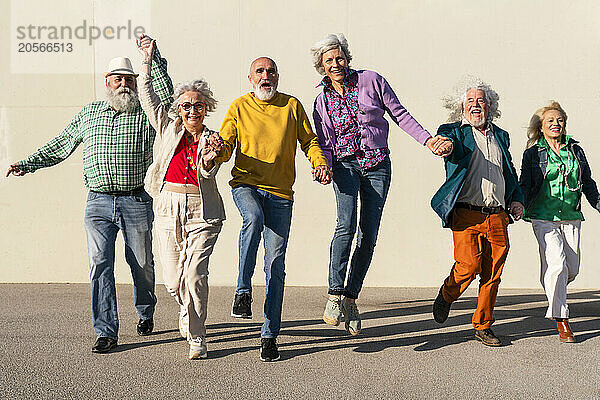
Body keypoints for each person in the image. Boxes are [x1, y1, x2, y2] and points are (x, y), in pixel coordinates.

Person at [6, 34, 173, 354]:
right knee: (100, 263)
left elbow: (165, 97)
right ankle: (106, 331)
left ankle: (145, 308)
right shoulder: (90, 113)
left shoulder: (147, 113)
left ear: (137, 83)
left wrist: (153, 58)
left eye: (128, 79)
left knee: (142, 265)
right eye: (117, 79)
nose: (123, 84)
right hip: (97, 202)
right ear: (107, 82)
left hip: (136, 199)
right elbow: (61, 144)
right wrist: (27, 164)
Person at [310, 33, 453, 335]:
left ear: (347, 57)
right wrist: (321, 165)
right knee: (345, 225)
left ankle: (351, 297)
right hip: (345, 166)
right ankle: (335, 294)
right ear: (321, 66)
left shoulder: (372, 80)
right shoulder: (321, 100)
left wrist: (427, 140)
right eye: (329, 61)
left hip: (377, 165)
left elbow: (399, 114)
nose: (335, 64)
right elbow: (323, 142)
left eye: (339, 58)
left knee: (369, 232)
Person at [216, 56, 331, 362]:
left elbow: (309, 141)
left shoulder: (291, 106)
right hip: (247, 185)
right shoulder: (239, 107)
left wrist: (319, 163)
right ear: (250, 77)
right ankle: (242, 290)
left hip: (281, 194)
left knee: (275, 266)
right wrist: (217, 149)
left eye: (270, 72)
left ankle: (269, 334)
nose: (265, 76)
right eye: (259, 72)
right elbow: (226, 145)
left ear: (277, 76)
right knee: (252, 218)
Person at [137, 39, 226, 359]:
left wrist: (211, 157)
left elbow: (209, 171)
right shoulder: (167, 126)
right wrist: (146, 61)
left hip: (202, 210)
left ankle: (197, 337)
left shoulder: (211, 137)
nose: (191, 110)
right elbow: (146, 97)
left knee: (195, 275)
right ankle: (186, 312)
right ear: (179, 108)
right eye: (187, 105)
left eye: (198, 105)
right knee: (173, 280)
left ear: (207, 108)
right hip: (166, 206)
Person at [430, 77, 524, 346]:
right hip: (466, 213)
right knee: (468, 266)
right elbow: (448, 145)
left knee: (492, 273)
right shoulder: (455, 132)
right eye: (470, 100)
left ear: (490, 106)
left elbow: (509, 172)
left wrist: (515, 199)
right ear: (461, 106)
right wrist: (445, 146)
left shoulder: (501, 136)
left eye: (481, 100)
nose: (476, 105)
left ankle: (483, 325)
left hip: (497, 215)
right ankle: (448, 293)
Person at [519, 101, 600, 343]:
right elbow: (525, 183)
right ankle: (561, 319)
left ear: (564, 124)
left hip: (571, 216)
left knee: (571, 268)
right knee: (557, 264)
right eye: (550, 121)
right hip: (543, 215)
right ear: (541, 127)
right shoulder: (533, 153)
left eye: (559, 120)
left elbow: (588, 182)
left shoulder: (575, 150)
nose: (555, 124)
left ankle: (553, 282)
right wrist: (517, 204)